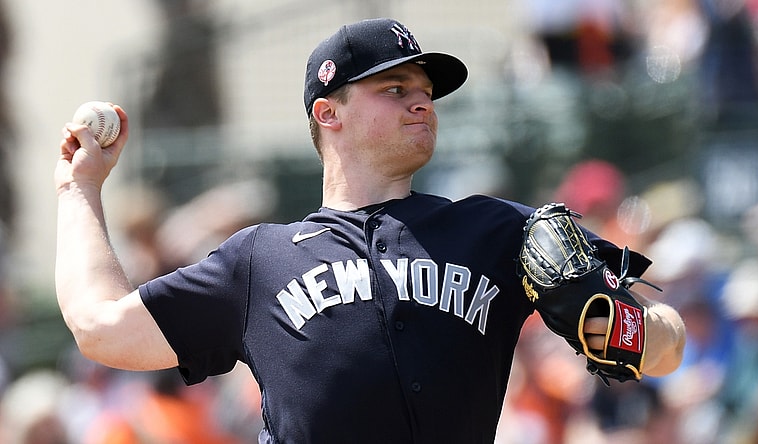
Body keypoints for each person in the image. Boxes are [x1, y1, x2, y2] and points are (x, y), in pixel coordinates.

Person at [55, 18, 685, 443]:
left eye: (427, 91)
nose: (423, 102)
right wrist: (78, 190)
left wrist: (615, 323)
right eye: (395, 87)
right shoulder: (259, 262)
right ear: (327, 113)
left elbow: (669, 344)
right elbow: (102, 328)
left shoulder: (497, 231)